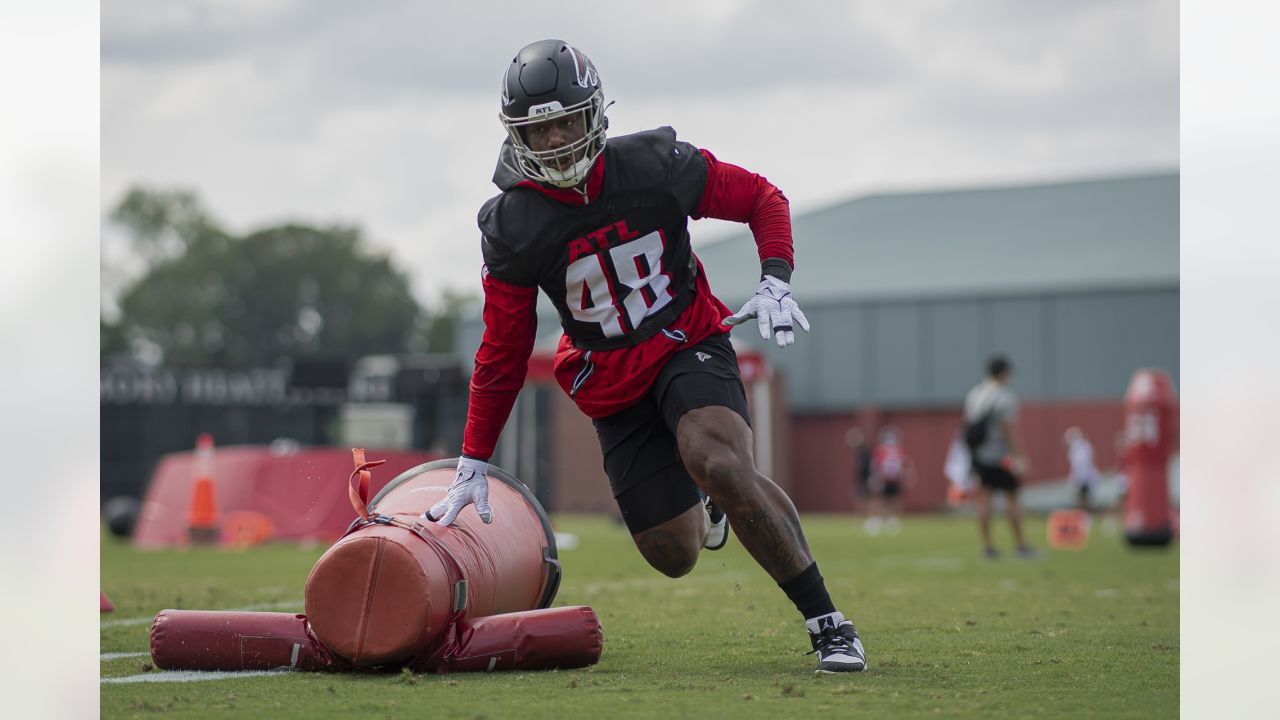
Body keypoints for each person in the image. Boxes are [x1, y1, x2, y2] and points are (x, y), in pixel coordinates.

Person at [423, 39, 865, 673]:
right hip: (609, 377)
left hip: (687, 336)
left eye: (565, 122)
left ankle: (828, 622)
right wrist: (473, 457)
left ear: (595, 114)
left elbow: (761, 198)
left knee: (715, 456)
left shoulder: (654, 164)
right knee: (672, 552)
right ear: (515, 135)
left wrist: (775, 276)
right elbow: (503, 351)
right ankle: (710, 502)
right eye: (538, 129)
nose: (554, 141)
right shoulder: (513, 225)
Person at [963, 355, 1037, 559]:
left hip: (979, 455)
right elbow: (1008, 429)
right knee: (1012, 498)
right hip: (1001, 456)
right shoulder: (1004, 396)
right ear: (1004, 372)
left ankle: (988, 546)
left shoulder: (975, 394)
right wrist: (1020, 455)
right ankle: (1021, 545)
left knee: (984, 500)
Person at [867, 426, 913, 534]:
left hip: (894, 479)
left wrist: (907, 476)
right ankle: (876, 519)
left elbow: (906, 464)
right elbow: (875, 465)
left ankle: (891, 519)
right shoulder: (880, 450)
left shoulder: (900, 450)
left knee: (894, 500)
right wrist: (875, 477)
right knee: (879, 499)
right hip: (883, 478)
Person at [1063, 426, 1102, 511]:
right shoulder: (1083, 447)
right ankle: (1084, 514)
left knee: (1084, 499)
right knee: (1082, 499)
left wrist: (1078, 479)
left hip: (1085, 477)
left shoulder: (1080, 449)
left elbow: (1082, 465)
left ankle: (1085, 514)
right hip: (1083, 477)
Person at [843, 426, 874, 526]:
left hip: (867, 480)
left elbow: (869, 467)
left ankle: (869, 518)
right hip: (860, 481)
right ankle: (862, 518)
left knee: (867, 500)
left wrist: (871, 478)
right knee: (860, 499)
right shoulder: (859, 453)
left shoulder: (866, 452)